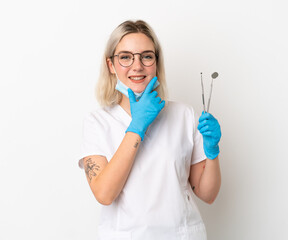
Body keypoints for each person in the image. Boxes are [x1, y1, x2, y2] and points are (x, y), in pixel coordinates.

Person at [78, 20, 222, 240]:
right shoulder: (98, 122)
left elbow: (208, 194)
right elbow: (105, 194)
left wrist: (212, 152)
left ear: (156, 63)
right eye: (125, 57)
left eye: (146, 56)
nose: (137, 66)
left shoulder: (183, 114)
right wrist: (138, 125)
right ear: (111, 65)